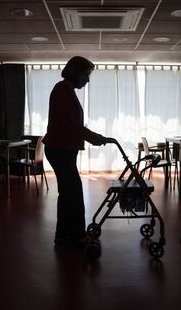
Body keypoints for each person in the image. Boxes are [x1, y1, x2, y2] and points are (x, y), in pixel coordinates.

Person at [43, 56, 107, 247]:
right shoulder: (63, 90)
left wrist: (91, 136)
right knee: (72, 193)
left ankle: (65, 234)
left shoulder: (66, 90)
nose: (87, 80)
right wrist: (93, 137)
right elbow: (69, 123)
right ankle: (74, 236)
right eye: (86, 75)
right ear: (76, 73)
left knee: (69, 192)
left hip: (62, 149)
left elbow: (70, 123)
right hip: (60, 149)